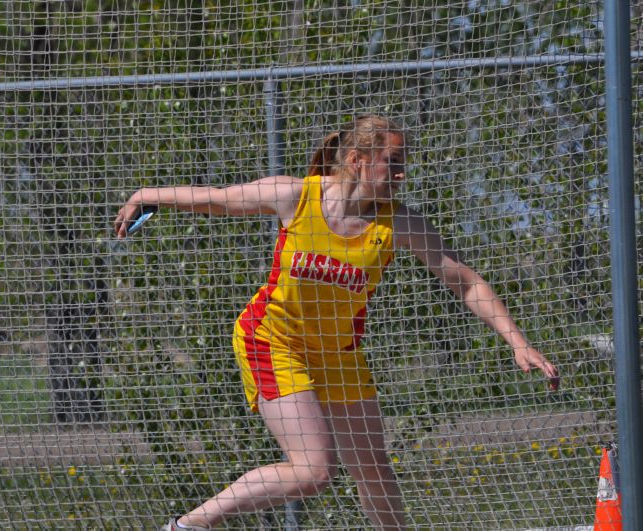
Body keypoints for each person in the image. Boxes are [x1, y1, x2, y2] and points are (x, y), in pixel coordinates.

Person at [114, 115, 560, 530]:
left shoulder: (398, 223)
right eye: (393, 162)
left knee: (375, 472)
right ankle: (183, 527)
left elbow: (466, 282)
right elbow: (215, 199)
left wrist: (518, 342)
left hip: (337, 352)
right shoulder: (296, 195)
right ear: (356, 160)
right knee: (313, 471)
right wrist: (145, 195)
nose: (403, 174)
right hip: (273, 340)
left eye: (404, 164)